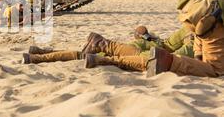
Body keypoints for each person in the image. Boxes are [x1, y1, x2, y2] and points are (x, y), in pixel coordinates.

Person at [22, 26, 194, 68]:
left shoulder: (188, 29)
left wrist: (149, 38)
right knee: (109, 59)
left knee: (87, 54)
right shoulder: (194, 36)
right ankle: (39, 56)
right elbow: (180, 52)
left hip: (142, 47)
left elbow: (171, 43)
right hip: (149, 53)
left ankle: (39, 56)